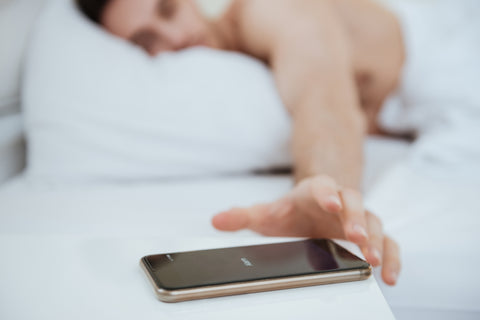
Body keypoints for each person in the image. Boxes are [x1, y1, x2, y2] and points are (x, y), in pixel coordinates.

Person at [75, 0, 413, 286]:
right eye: (146, 41)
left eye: (168, 9)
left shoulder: (264, 8)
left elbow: (322, 95)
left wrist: (326, 196)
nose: (175, 37)